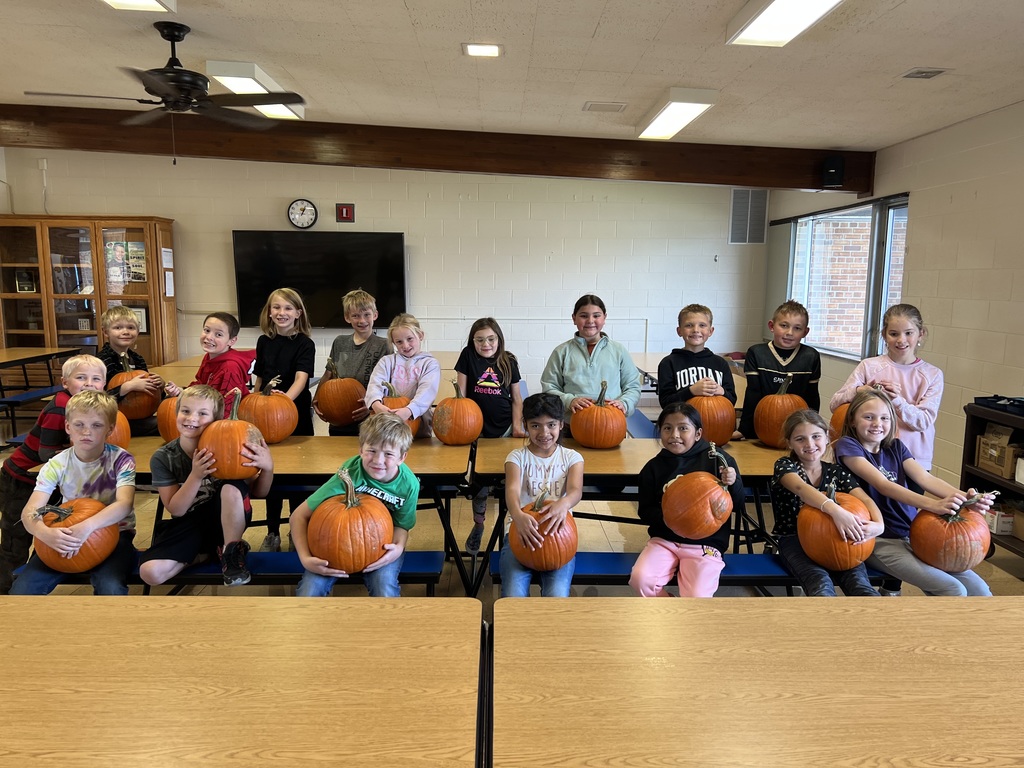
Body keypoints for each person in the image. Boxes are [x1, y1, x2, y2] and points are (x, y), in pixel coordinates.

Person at [835, 389, 995, 596]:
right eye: (868, 417)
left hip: (915, 534)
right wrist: (933, 505)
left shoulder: (896, 447)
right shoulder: (848, 447)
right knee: (952, 589)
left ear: (892, 421)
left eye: (884, 418)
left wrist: (967, 498)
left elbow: (926, 479)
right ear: (853, 421)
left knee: (980, 590)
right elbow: (883, 484)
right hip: (879, 540)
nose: (877, 424)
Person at [138, 385, 274, 588]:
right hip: (188, 523)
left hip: (227, 523)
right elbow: (176, 510)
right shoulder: (164, 457)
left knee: (230, 487)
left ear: (216, 420)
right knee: (151, 573)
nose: (192, 418)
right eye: (185, 411)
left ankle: (231, 552)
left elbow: (259, 493)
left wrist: (268, 468)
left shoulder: (231, 448)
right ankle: (207, 554)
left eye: (202, 413)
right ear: (176, 414)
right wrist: (196, 475)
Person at [0, 354, 108, 594]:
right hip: (22, 478)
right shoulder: (60, 407)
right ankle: (6, 596)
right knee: (15, 540)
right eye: (81, 378)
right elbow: (44, 452)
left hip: (49, 482)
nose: (89, 383)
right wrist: (81, 449)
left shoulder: (89, 407)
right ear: (65, 383)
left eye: (96, 379)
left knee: (46, 527)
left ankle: (35, 574)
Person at [11, 391, 137, 595]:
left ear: (110, 429)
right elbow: (30, 511)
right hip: (63, 535)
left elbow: (124, 505)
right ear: (68, 427)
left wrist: (87, 527)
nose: (87, 432)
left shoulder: (121, 460)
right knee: (23, 589)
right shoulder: (56, 464)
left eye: (96, 425)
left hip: (114, 534)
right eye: (79, 425)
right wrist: (45, 534)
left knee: (110, 587)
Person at [291, 413, 419, 597]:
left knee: (384, 588)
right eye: (371, 450)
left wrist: (398, 548)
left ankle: (388, 625)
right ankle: (308, 626)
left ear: (402, 457)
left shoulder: (409, 485)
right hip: (334, 546)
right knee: (309, 590)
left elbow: (402, 525)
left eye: (389, 454)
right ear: (361, 449)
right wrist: (305, 558)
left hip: (382, 547)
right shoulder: (349, 473)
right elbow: (298, 515)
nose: (378, 460)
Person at [629, 402, 744, 598]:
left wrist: (732, 483)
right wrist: (672, 519)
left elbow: (739, 504)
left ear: (697, 433)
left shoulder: (718, 461)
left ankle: (686, 621)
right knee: (641, 580)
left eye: (683, 428)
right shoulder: (653, 468)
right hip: (665, 539)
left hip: (706, 544)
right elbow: (645, 510)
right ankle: (672, 613)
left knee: (697, 595)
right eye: (667, 428)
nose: (674, 435)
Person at [768, 409, 884, 597]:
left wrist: (879, 525)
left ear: (827, 437)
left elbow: (865, 499)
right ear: (789, 442)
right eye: (800, 439)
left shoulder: (837, 472)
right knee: (820, 584)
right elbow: (800, 489)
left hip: (838, 538)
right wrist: (836, 511)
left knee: (861, 587)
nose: (810, 444)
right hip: (795, 539)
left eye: (816, 436)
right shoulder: (785, 466)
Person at [829, 303, 941, 470]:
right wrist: (859, 392)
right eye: (894, 334)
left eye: (908, 333)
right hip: (867, 454)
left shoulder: (932, 374)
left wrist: (896, 401)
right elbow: (834, 404)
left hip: (914, 459)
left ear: (921, 334)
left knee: (908, 497)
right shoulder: (869, 366)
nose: (901, 340)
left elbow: (923, 421)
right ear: (884, 335)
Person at [500, 393, 584, 597]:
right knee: (513, 596)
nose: (544, 432)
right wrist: (518, 516)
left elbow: (575, 491)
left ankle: (548, 629)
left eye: (551, 425)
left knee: (557, 596)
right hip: (520, 532)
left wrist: (564, 503)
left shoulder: (572, 457)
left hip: (559, 536)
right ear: (525, 426)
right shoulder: (517, 457)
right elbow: (511, 491)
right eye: (536, 425)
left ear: (561, 425)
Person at [252, 288, 316, 552]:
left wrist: (283, 403)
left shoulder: (305, 343)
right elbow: (259, 377)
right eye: (276, 308)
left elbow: (301, 379)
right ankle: (272, 532)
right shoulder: (263, 341)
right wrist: (253, 401)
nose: (281, 313)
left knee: (299, 474)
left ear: (298, 313)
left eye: (288, 308)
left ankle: (296, 529)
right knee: (271, 474)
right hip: (265, 414)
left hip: (294, 411)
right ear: (269, 312)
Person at [455, 317, 525, 552]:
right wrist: (463, 426)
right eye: (480, 339)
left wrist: (517, 426)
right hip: (478, 430)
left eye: (491, 339)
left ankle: (508, 530)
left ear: (499, 339)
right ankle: (478, 525)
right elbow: (461, 397)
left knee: (509, 483)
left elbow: (516, 398)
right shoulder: (467, 356)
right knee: (480, 484)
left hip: (505, 429)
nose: (486, 344)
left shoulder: (508, 360)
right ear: (473, 341)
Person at [541, 294, 641, 423]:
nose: (590, 320)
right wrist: (569, 400)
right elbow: (549, 387)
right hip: (571, 424)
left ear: (604, 318)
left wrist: (624, 403)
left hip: (611, 423)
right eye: (583, 316)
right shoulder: (561, 352)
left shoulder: (618, 350)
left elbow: (632, 386)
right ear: (574, 318)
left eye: (596, 315)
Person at [738, 300, 821, 440]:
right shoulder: (756, 353)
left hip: (797, 429)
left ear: (805, 332)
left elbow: (812, 397)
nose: (789, 333)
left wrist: (814, 429)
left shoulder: (811, 356)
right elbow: (753, 393)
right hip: (763, 425)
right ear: (772, 326)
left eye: (797, 328)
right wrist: (744, 430)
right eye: (784, 326)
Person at [312, 288, 390, 436]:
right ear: (347, 317)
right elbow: (329, 373)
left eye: (367, 315)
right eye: (356, 316)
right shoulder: (340, 342)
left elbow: (388, 383)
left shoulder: (384, 345)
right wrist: (317, 399)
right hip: (338, 418)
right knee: (338, 456)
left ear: (375, 315)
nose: (362, 320)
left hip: (370, 419)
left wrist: (372, 406)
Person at [365, 313, 441, 438]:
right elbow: (375, 384)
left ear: (420, 335)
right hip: (387, 424)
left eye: (410, 339)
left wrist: (409, 411)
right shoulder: (386, 362)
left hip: (418, 425)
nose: (405, 345)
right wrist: (377, 405)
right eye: (399, 342)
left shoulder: (430, 364)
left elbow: (427, 392)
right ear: (394, 343)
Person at [165, 312, 254, 415]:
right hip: (207, 411)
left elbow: (227, 408)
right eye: (207, 330)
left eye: (218, 334)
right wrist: (181, 391)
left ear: (232, 341)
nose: (209, 337)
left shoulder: (230, 368)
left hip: (224, 422)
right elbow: (201, 384)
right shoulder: (209, 356)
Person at [97, 305, 164, 436]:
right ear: (106, 332)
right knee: (162, 424)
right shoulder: (101, 361)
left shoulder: (138, 359)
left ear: (137, 332)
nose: (125, 331)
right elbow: (98, 398)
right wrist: (127, 387)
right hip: (112, 417)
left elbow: (151, 396)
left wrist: (160, 387)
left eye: (131, 327)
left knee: (171, 419)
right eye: (118, 327)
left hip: (141, 416)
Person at [657, 303, 737, 407]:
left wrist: (721, 391)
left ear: (710, 331)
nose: (696, 330)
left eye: (702, 325)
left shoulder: (720, 363)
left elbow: (732, 401)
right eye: (689, 325)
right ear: (679, 331)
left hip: (716, 420)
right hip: (682, 421)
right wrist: (691, 391)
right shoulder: (668, 363)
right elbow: (665, 403)